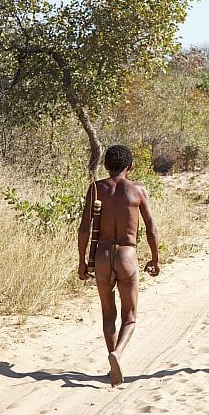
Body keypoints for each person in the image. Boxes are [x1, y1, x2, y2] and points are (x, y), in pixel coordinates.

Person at [77, 145, 160, 387]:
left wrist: (82, 260)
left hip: (102, 256)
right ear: (130, 166)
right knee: (130, 317)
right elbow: (151, 229)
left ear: (105, 166)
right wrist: (155, 258)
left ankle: (113, 367)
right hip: (127, 255)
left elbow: (83, 229)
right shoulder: (138, 190)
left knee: (107, 314)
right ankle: (118, 354)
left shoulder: (96, 189)